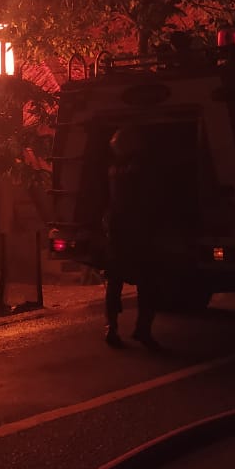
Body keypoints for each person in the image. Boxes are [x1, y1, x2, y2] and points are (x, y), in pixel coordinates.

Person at [102, 128, 161, 349]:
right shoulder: (140, 167)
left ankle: (112, 328)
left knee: (114, 282)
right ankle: (142, 329)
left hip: (119, 233)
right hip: (139, 232)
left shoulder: (114, 169)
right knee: (147, 283)